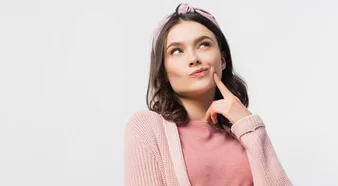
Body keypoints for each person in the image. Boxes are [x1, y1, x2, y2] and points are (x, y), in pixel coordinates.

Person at [124, 3, 292, 186]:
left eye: (204, 45)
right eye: (177, 51)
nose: (194, 59)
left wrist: (250, 127)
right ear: (163, 70)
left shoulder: (244, 132)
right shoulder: (147, 127)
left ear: (222, 59)